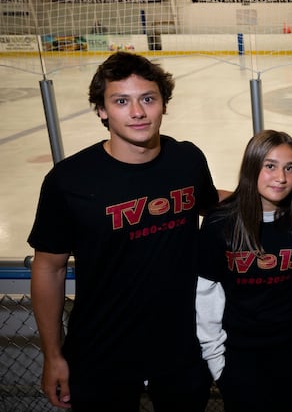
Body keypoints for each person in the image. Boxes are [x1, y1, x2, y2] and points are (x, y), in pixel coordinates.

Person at [28, 51, 220, 411]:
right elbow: (48, 267)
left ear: (164, 104)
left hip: (179, 349)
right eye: (121, 101)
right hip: (101, 351)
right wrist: (53, 355)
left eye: (148, 98)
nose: (137, 112)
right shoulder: (68, 180)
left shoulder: (187, 159)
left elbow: (207, 200)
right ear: (102, 110)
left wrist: (276, 195)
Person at [195, 129, 292, 412]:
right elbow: (206, 296)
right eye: (270, 166)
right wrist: (218, 362)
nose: (281, 178)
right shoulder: (220, 223)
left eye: (289, 168)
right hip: (241, 358)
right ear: (252, 166)